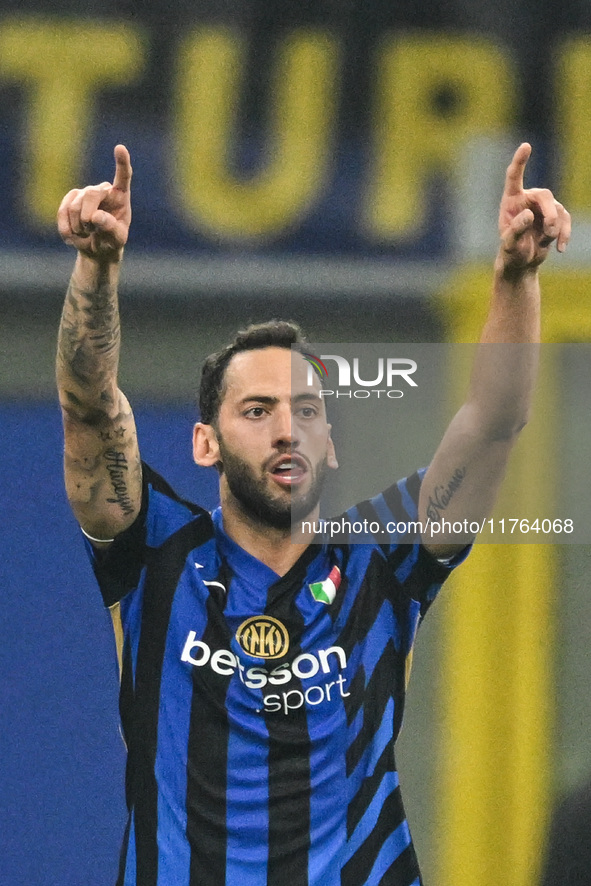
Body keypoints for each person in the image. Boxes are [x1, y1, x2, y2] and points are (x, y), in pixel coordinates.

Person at [56, 143, 569, 886]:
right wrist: (96, 267)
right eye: (257, 410)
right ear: (205, 442)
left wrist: (515, 274)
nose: (286, 430)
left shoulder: (381, 559)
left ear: (329, 442)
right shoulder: (155, 552)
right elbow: (89, 406)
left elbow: (493, 422)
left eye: (305, 410)